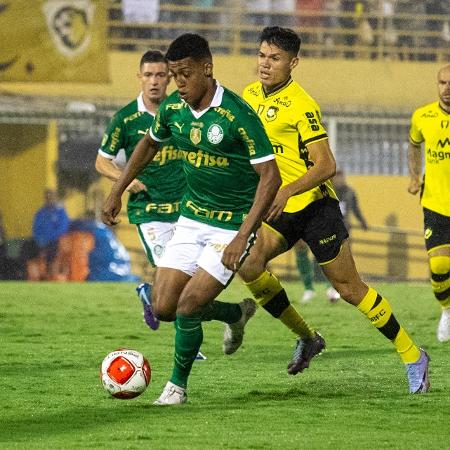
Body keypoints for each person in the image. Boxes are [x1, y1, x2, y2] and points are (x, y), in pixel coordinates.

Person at [239, 26, 430, 393]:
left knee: (349, 288)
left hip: (313, 206)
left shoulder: (301, 104)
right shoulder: (249, 95)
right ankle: (307, 337)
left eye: (274, 58)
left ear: (293, 63)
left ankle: (412, 354)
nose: (265, 64)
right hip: (278, 207)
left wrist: (289, 189)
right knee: (249, 263)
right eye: (262, 55)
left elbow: (326, 165)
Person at [101, 33, 281, 405]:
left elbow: (271, 177)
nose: (178, 83)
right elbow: (149, 143)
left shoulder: (236, 114)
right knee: (163, 307)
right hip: (191, 219)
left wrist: (241, 236)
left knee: (188, 306)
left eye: (184, 74)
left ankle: (176, 388)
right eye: (173, 74)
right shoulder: (172, 110)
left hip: (231, 227)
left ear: (207, 68)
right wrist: (117, 189)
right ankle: (235, 314)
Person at [96, 50, 186, 332]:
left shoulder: (181, 109)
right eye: (148, 75)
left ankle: (149, 292)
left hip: (187, 205)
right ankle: (187, 344)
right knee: (174, 278)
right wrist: (124, 179)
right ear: (139, 77)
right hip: (149, 209)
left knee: (189, 276)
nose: (154, 81)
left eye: (160, 75)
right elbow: (101, 160)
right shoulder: (126, 118)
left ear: (169, 78)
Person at [407, 63, 450, 343]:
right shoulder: (423, 116)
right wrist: (413, 176)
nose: (447, 89)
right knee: (439, 266)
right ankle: (447, 311)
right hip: (435, 204)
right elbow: (413, 144)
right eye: (443, 83)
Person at [32, 188, 70, 280]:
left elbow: (62, 229)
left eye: (51, 196)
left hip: (55, 242)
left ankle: (52, 275)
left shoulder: (60, 213)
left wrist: (48, 239)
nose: (49, 199)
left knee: (53, 252)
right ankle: (39, 276)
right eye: (47, 197)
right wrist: (40, 240)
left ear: (55, 197)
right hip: (41, 242)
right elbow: (36, 228)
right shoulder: (41, 213)